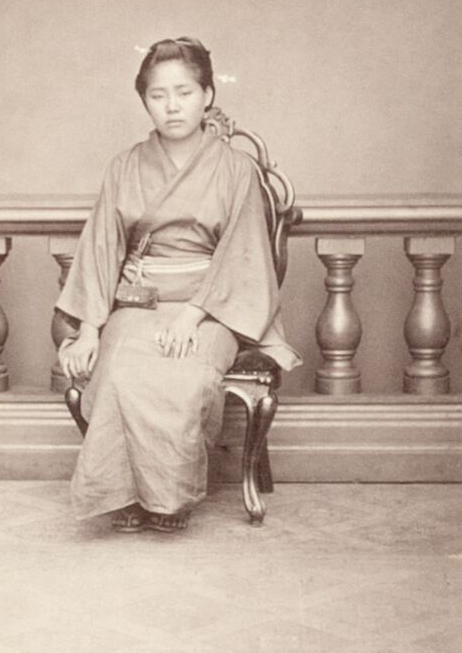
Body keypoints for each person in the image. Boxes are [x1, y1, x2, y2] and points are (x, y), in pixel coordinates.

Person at [55, 36, 301, 533]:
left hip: (211, 308)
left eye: (184, 93)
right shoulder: (125, 166)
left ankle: (169, 500)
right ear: (144, 100)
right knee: (118, 367)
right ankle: (125, 497)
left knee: (183, 372)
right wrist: (88, 330)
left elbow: (243, 256)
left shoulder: (235, 169)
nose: (172, 106)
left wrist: (193, 315)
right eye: (158, 95)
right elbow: (102, 248)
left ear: (207, 94)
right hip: (139, 304)